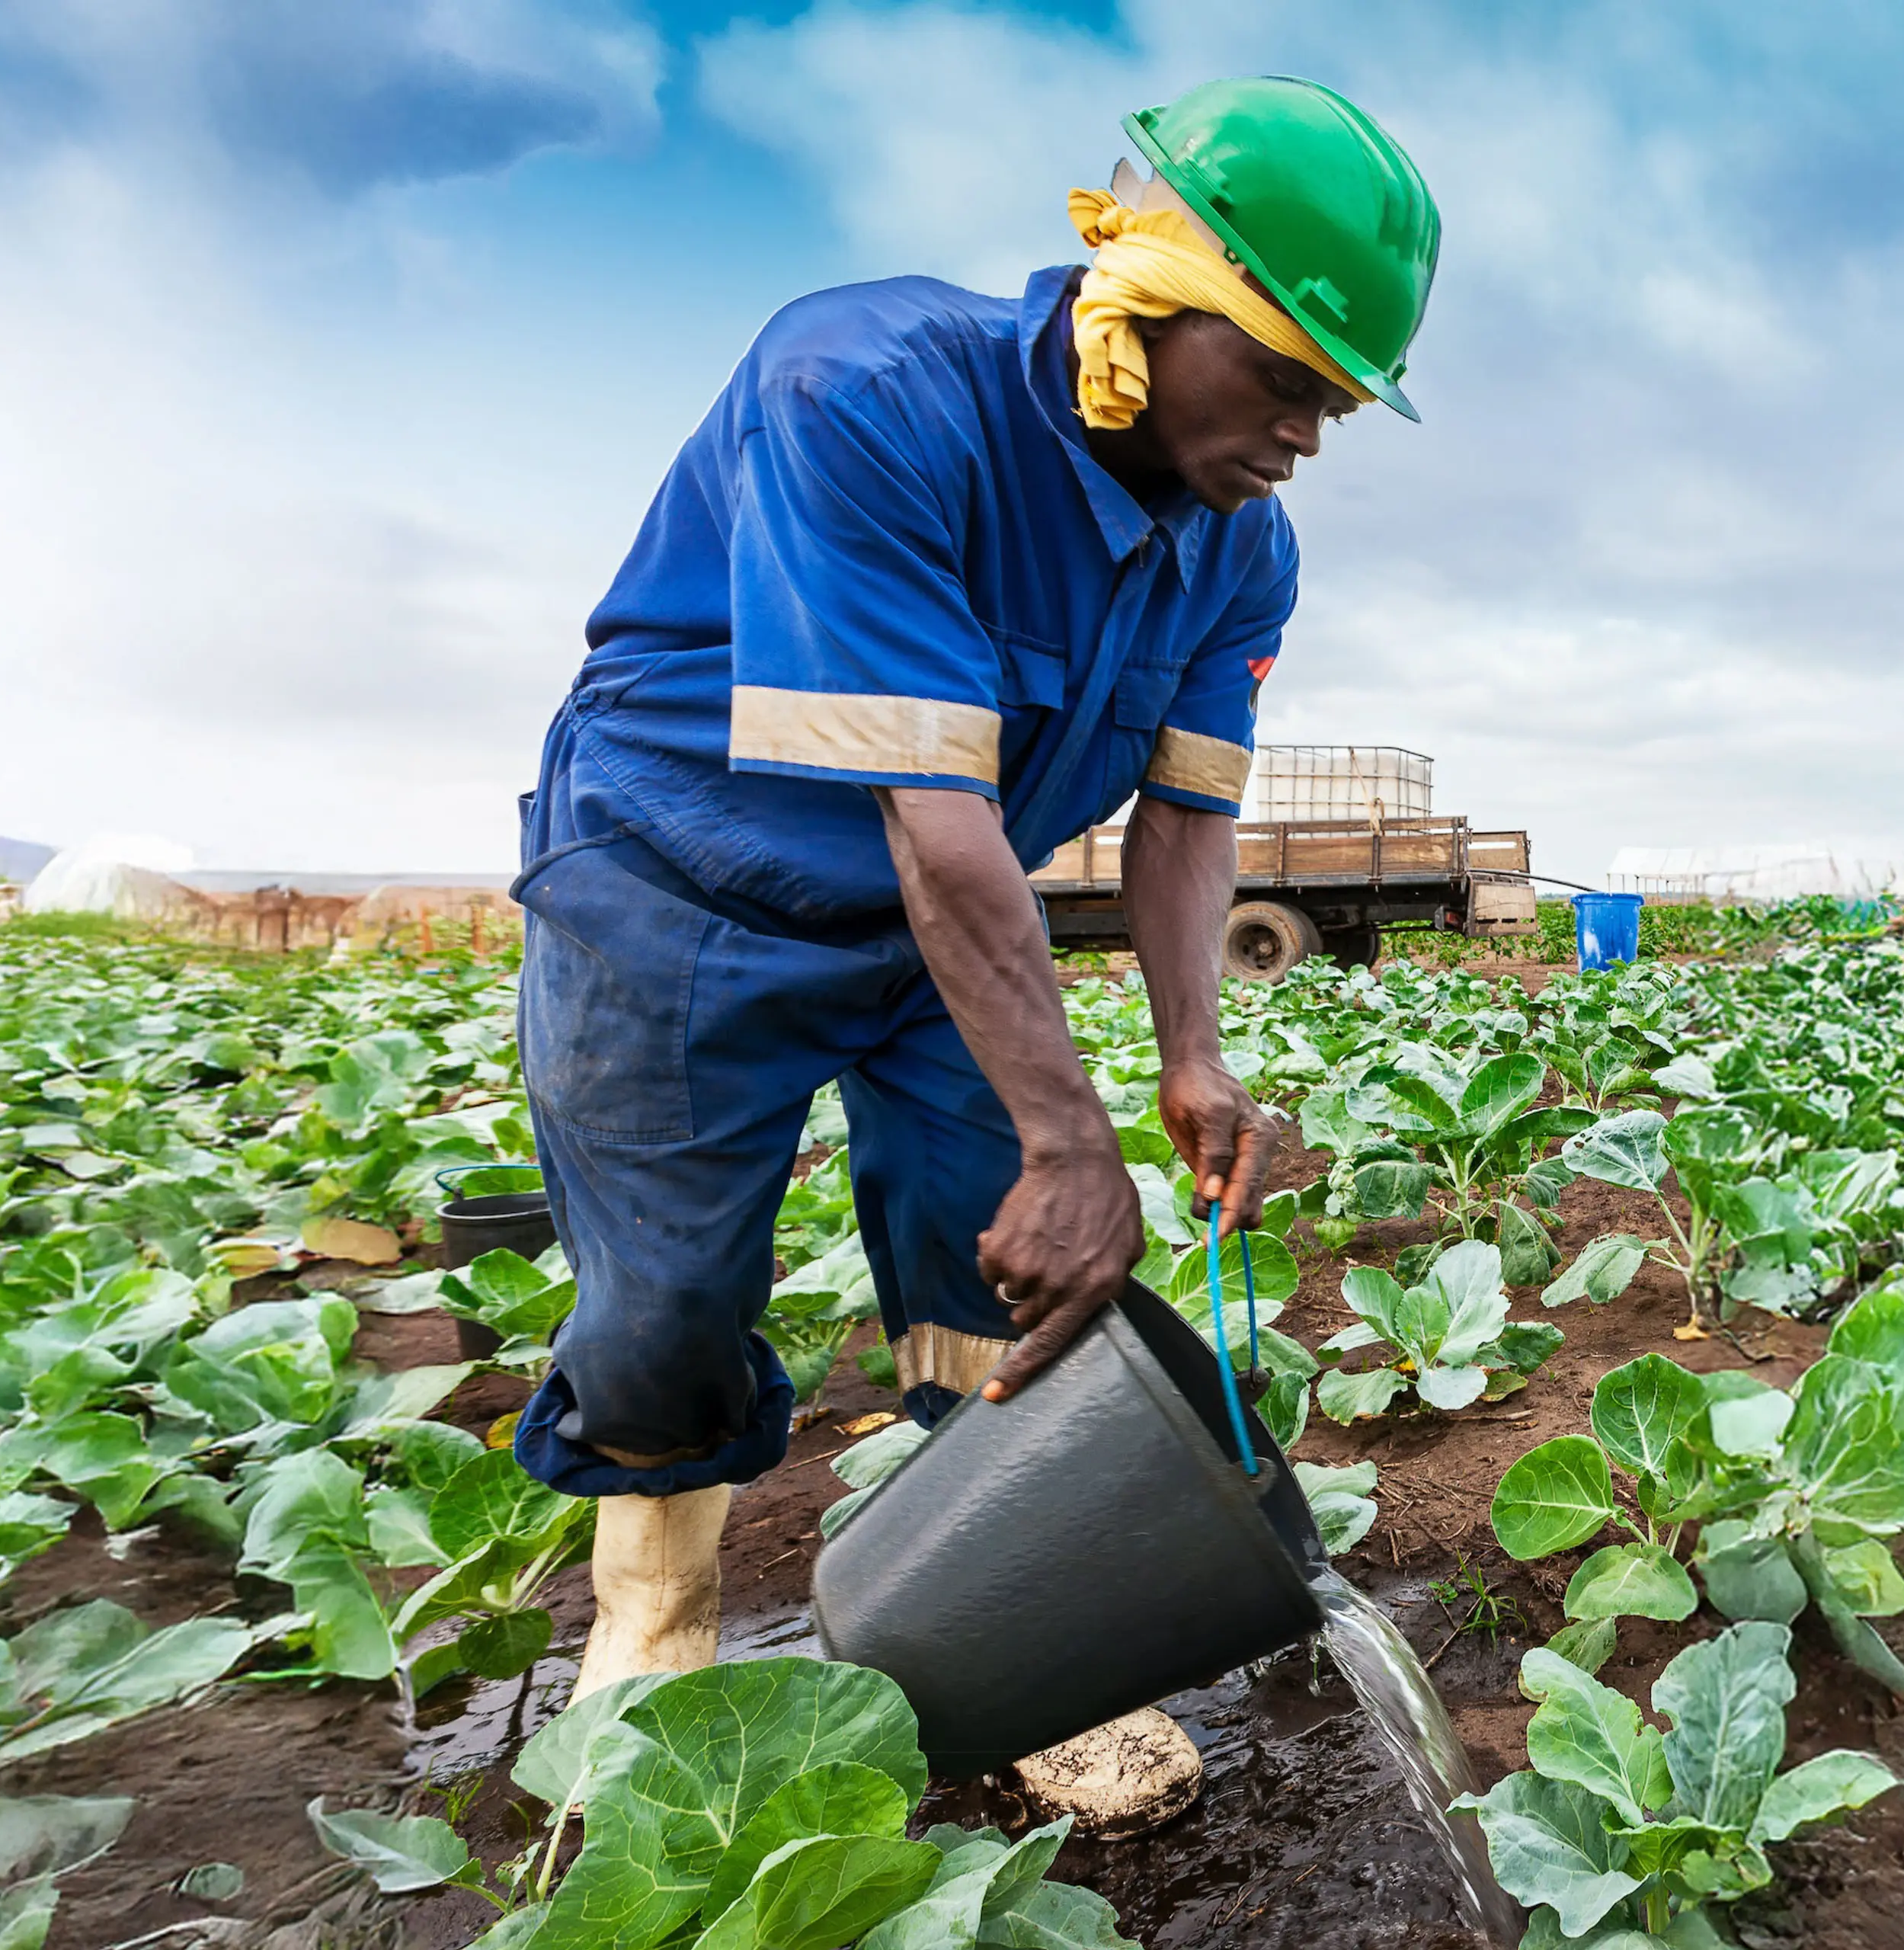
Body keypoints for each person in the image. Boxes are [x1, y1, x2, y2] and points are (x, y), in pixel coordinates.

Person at [508, 74, 1439, 1827]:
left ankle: (996, 1593)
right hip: (680, 884)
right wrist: (1073, 1133)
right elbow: (927, 817)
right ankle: (655, 1633)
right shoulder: (862, 391)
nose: (1310, 428)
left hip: (957, 909)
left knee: (990, 1235)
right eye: (1290, 373)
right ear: (1145, 303)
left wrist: (1187, 1059)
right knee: (664, 1302)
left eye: (1342, 400)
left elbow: (1182, 819)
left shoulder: (1242, 549)